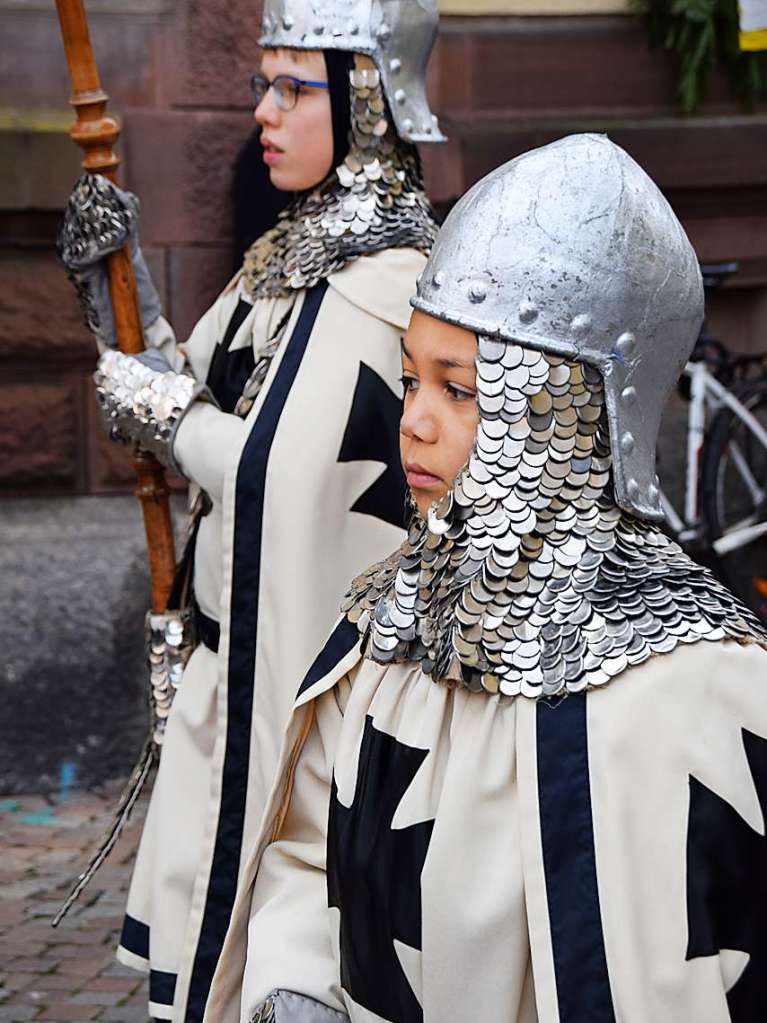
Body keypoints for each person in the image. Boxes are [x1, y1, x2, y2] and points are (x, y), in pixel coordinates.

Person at [203, 134, 767, 1023]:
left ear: (567, 414)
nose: (412, 422)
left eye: (459, 390)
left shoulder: (699, 681)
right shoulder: (387, 632)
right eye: (409, 379)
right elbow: (310, 853)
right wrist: (295, 982)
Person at [56, 2, 444, 1020]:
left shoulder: (386, 283)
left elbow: (279, 471)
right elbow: (196, 384)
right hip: (230, 666)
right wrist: (118, 289)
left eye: (292, 88)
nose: (262, 113)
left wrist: (166, 417)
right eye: (260, 86)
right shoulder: (290, 254)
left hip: (300, 692)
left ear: (363, 101)